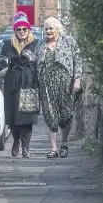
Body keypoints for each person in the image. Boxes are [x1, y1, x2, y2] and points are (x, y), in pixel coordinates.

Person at [36, 17, 82, 158]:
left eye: (51, 28)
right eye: (46, 28)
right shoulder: (41, 44)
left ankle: (64, 143)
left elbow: (78, 60)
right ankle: (54, 148)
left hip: (65, 83)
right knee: (49, 115)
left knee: (66, 115)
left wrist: (77, 80)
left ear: (58, 29)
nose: (48, 31)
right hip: (46, 84)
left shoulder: (69, 41)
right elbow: (35, 63)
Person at [1, 11, 40, 158]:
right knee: (13, 115)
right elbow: (2, 62)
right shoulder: (8, 44)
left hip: (29, 82)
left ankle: (26, 147)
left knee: (27, 116)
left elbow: (39, 63)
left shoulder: (35, 44)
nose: (22, 32)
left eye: (24, 29)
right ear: (15, 30)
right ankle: (16, 139)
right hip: (12, 82)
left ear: (28, 29)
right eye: (19, 29)